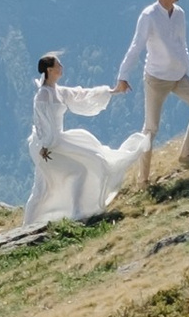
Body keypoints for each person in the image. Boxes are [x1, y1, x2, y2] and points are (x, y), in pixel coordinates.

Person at [20, 51, 147, 226]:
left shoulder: (59, 91)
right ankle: (56, 219)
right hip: (46, 148)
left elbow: (82, 95)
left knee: (67, 175)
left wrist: (111, 91)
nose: (61, 67)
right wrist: (43, 145)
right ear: (49, 70)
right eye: (58, 65)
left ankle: (74, 214)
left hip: (57, 142)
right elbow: (39, 121)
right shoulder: (43, 95)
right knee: (45, 187)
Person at [112, 0, 189, 173]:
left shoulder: (180, 13)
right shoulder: (149, 16)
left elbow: (181, 43)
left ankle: (186, 155)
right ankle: (143, 180)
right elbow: (136, 46)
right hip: (156, 79)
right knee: (151, 129)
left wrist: (187, 67)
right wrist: (123, 76)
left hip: (179, 76)